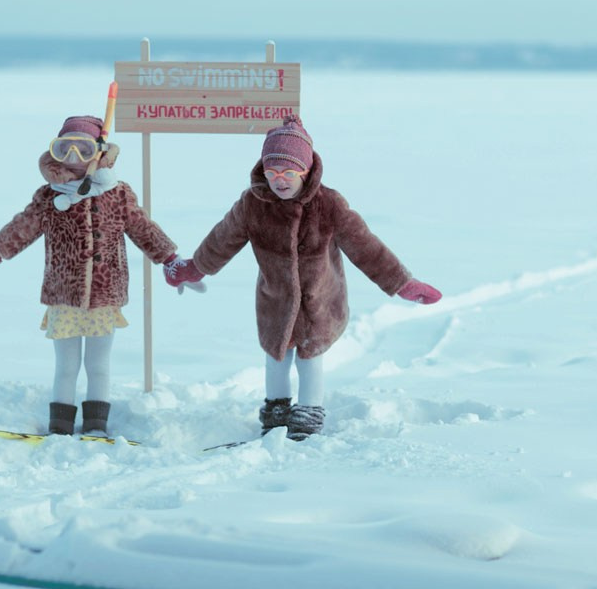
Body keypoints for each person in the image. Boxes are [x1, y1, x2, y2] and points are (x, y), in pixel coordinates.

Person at [164, 114, 441, 441]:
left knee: (310, 357)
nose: (279, 180)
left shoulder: (329, 204)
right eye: (272, 172)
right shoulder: (253, 204)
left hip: (319, 300)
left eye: (288, 172)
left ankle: (309, 411)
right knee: (276, 356)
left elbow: (365, 246)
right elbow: (222, 239)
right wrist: (194, 268)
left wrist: (401, 283)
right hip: (275, 300)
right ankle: (276, 411)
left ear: (305, 171)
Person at [0, 114, 194, 437]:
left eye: (82, 149)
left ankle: (97, 424)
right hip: (63, 296)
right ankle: (60, 425)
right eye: (64, 149)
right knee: (66, 367)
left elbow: (143, 229)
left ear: (98, 152)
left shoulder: (117, 194)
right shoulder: (48, 196)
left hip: (104, 296)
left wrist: (171, 261)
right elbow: (21, 230)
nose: (72, 158)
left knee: (98, 366)